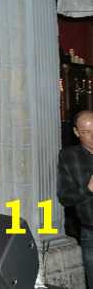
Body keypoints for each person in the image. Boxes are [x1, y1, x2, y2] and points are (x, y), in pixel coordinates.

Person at [58, 110, 93, 289]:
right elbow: (65, 198)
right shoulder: (68, 156)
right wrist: (88, 189)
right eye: (86, 132)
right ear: (76, 132)